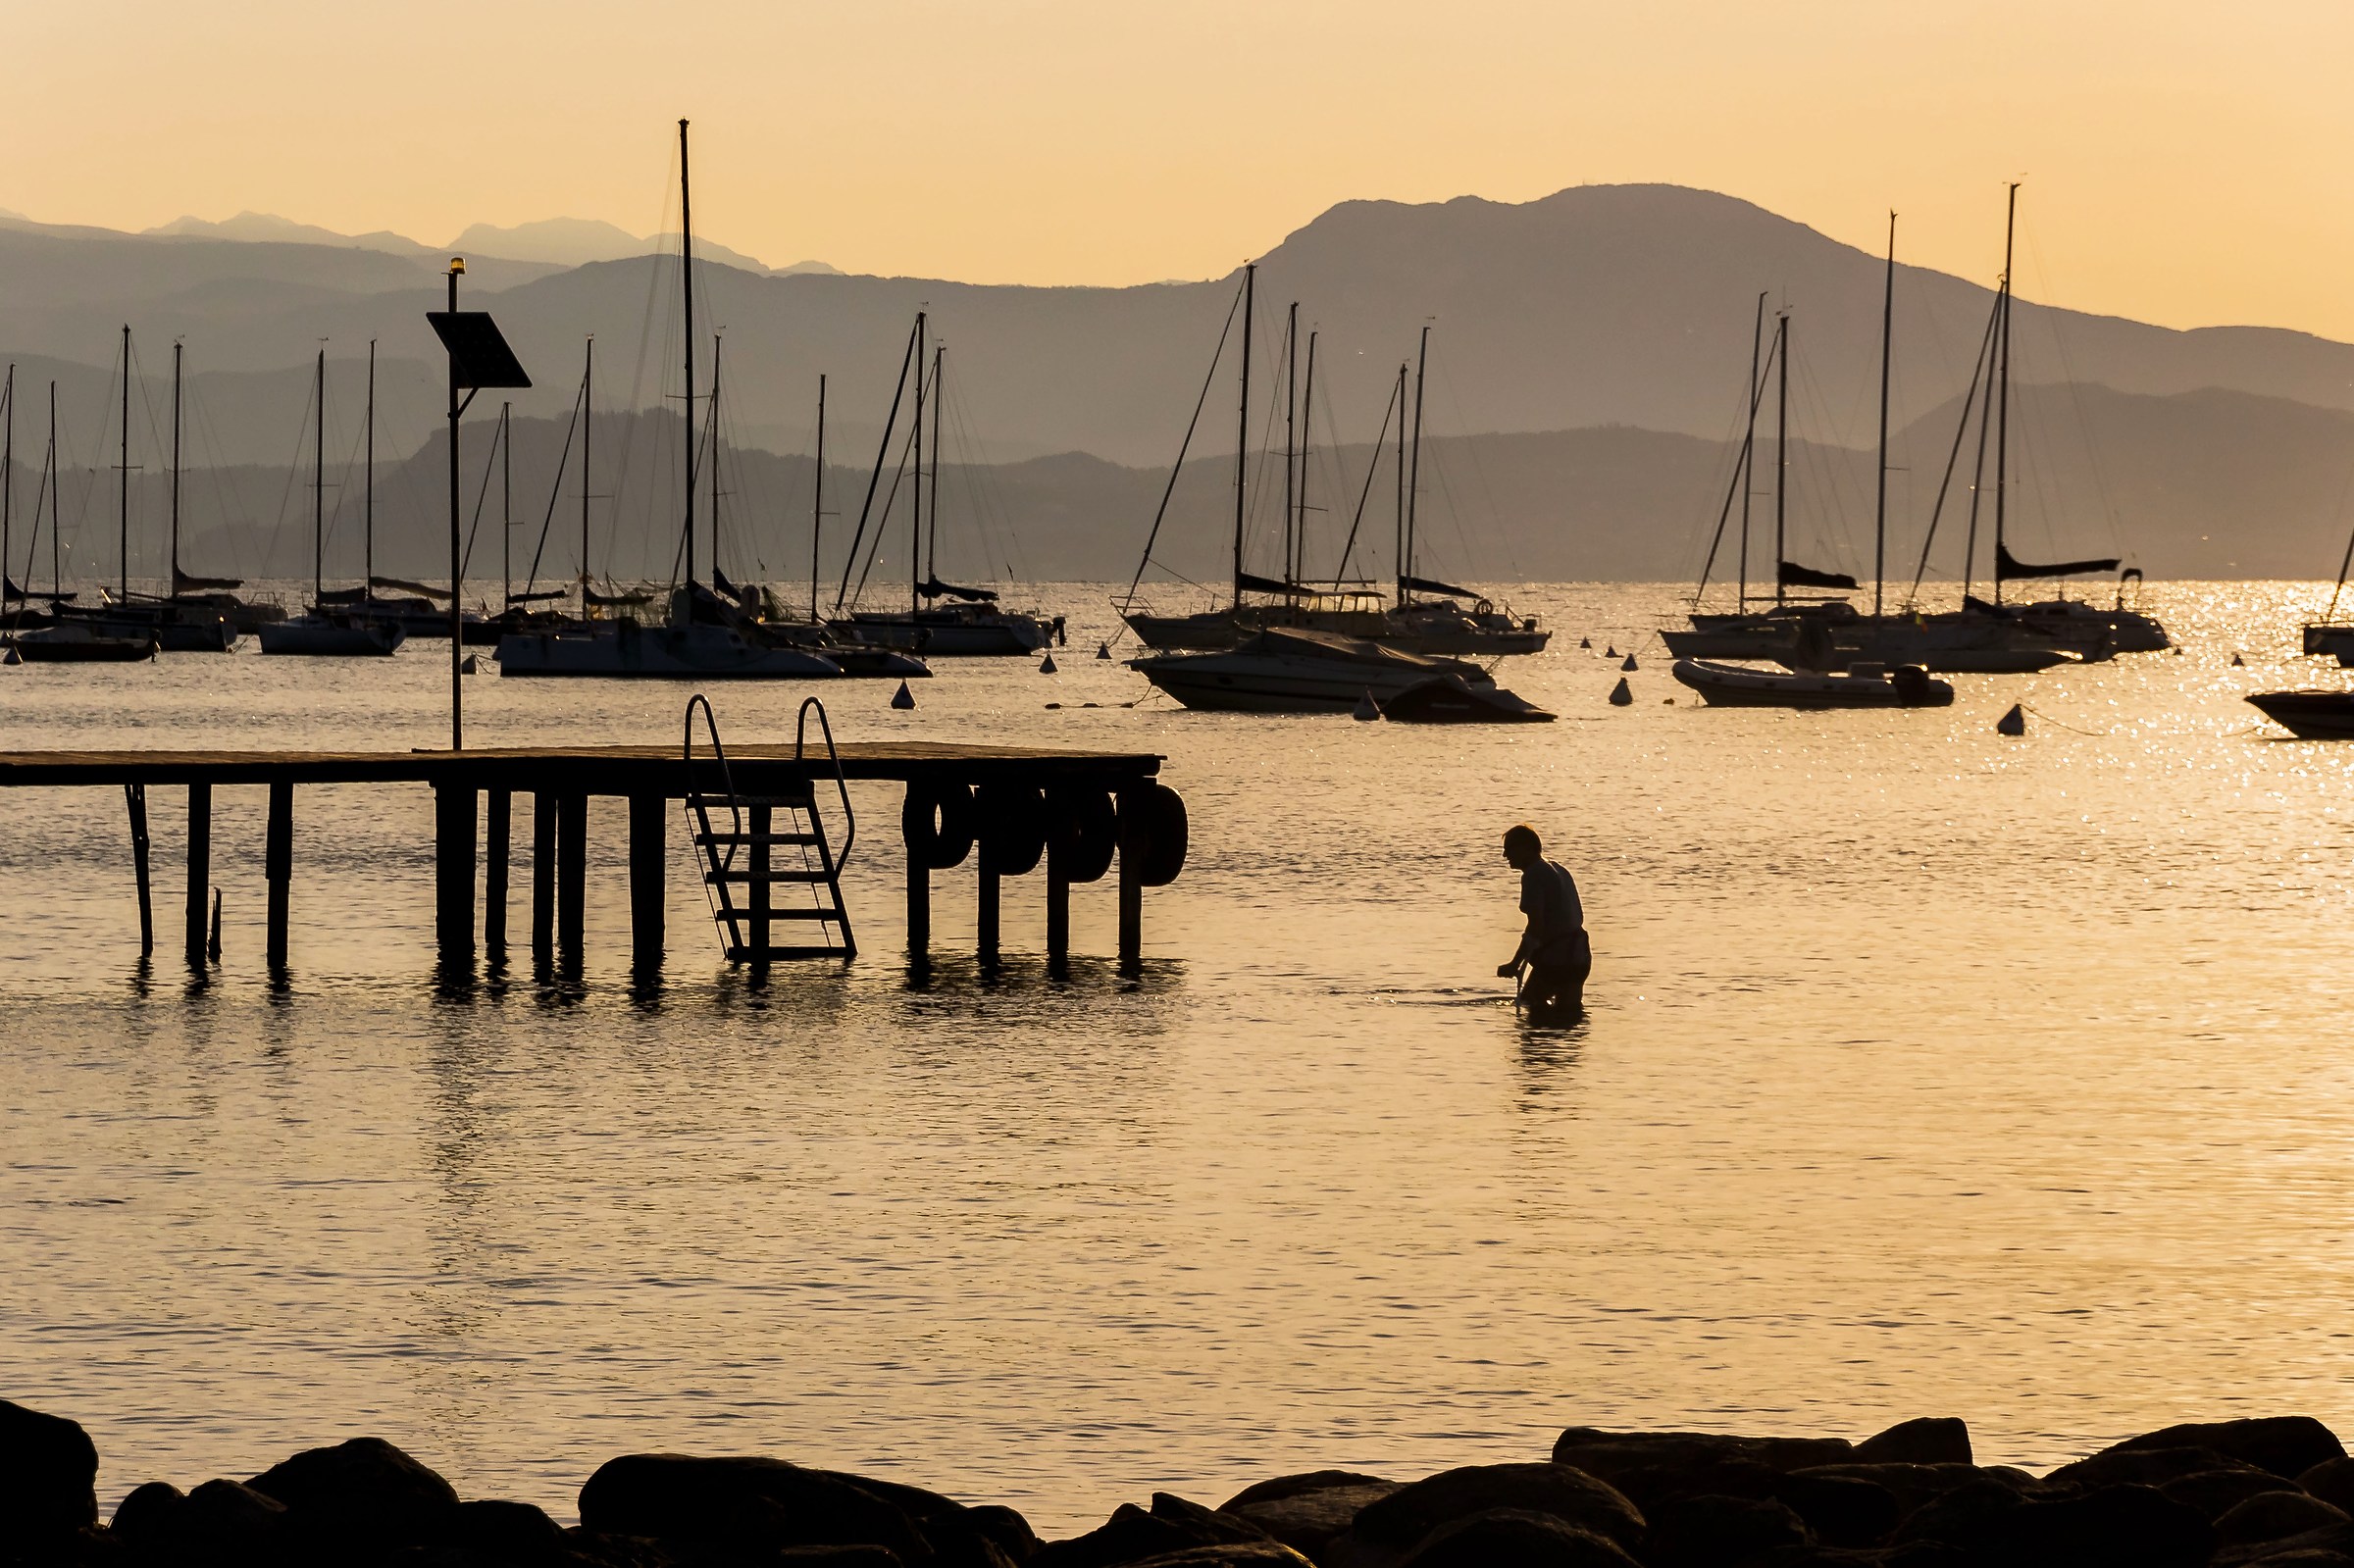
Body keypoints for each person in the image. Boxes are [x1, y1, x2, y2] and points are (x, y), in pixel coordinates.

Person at [1498, 824, 1589, 1022]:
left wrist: (1514, 964)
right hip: (1579, 957)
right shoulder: (1558, 869)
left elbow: (1536, 927)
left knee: (1531, 1008)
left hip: (1558, 959)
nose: (1505, 855)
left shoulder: (1534, 874)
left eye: (1509, 848)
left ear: (1526, 848)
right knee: (1570, 1017)